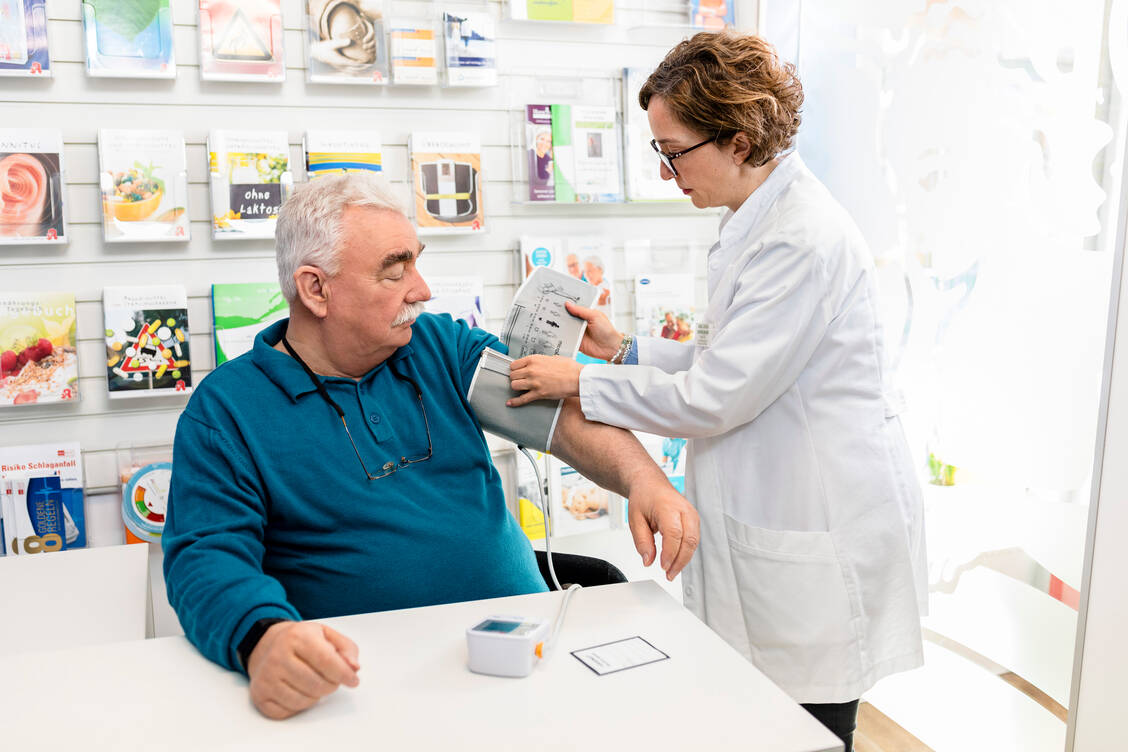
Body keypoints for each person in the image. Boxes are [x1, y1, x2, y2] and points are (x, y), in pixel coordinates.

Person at [506, 30, 926, 751]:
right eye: (659, 154)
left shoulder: (801, 238)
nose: (668, 173)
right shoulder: (756, 221)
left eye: (675, 152)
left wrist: (582, 380)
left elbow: (715, 398)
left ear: (737, 140)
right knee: (755, 713)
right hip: (777, 506)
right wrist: (626, 349)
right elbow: (732, 362)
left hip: (815, 523)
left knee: (810, 729)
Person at [163, 172, 698, 721]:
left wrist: (644, 481)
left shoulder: (439, 344)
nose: (422, 289)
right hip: (378, 694)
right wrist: (263, 638)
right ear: (315, 289)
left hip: (525, 660)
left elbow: (557, 415)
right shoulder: (228, 411)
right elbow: (206, 558)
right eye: (395, 271)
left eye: (417, 262)